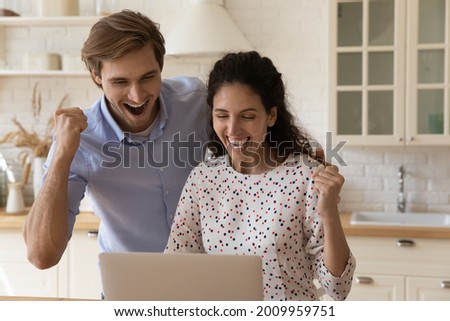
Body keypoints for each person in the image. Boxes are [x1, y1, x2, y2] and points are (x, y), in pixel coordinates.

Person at [23, 10, 210, 270]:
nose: (137, 95)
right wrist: (62, 155)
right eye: (120, 81)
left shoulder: (197, 102)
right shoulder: (81, 141)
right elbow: (41, 255)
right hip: (131, 291)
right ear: (96, 75)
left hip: (204, 284)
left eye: (148, 77)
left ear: (161, 66)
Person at [165, 51, 356, 301]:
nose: (232, 129)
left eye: (247, 116)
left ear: (271, 116)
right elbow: (176, 266)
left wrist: (329, 213)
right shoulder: (202, 179)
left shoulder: (306, 177)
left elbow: (338, 289)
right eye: (222, 115)